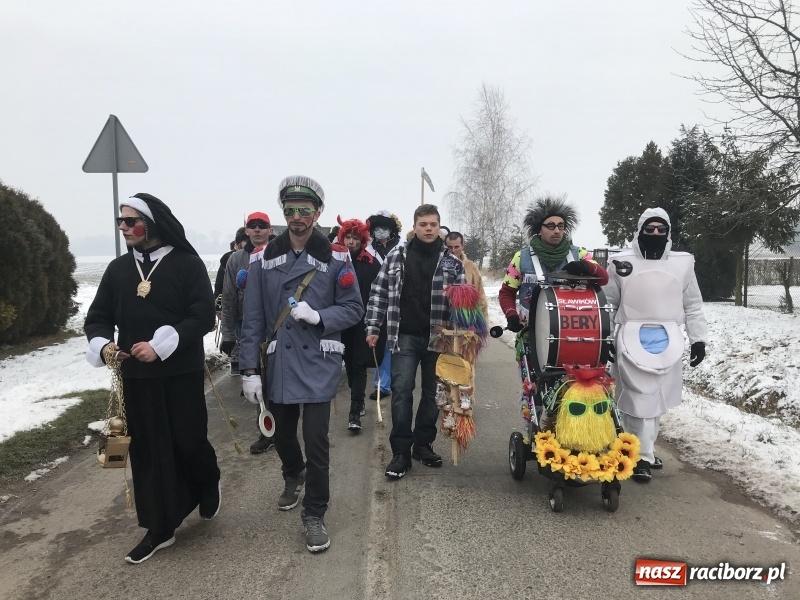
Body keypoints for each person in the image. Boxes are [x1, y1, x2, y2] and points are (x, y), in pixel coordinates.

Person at [84, 193, 220, 565]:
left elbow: (202, 317)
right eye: (121, 222)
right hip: (136, 378)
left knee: (189, 443)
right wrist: (103, 346)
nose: (124, 228)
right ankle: (160, 527)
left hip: (181, 374)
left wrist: (161, 345)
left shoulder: (188, 265)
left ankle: (208, 480)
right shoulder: (117, 270)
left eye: (131, 221)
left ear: (152, 224)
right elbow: (96, 318)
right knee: (148, 452)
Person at [239, 175, 363, 553]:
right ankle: (293, 473)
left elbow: (354, 308)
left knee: (317, 441)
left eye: (304, 210)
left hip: (319, 361)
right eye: (290, 210)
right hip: (280, 362)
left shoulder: (338, 257)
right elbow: (253, 318)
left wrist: (320, 316)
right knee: (280, 434)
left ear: (317, 213)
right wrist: (248, 370)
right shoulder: (262, 259)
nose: (297, 217)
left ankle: (314, 513)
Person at [604, 208, 707, 483]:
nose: (656, 234)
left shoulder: (682, 264)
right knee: (637, 398)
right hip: (631, 336)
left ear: (668, 232)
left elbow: (693, 304)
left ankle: (643, 450)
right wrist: (605, 337)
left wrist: (699, 339)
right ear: (640, 230)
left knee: (656, 398)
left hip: (668, 338)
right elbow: (608, 302)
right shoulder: (621, 262)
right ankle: (638, 456)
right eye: (650, 229)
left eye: (661, 229)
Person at [365, 204, 467, 479]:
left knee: (433, 395)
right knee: (401, 391)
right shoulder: (396, 256)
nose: (429, 229)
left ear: (439, 227)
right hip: (405, 335)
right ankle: (401, 451)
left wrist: (463, 331)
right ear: (415, 226)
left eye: (433, 224)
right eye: (424, 224)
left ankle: (423, 444)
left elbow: (463, 301)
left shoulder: (452, 262)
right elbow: (378, 292)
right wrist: (373, 326)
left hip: (439, 337)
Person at [498, 194, 608, 434]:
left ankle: (575, 432)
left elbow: (604, 278)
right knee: (534, 388)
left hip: (574, 333)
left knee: (576, 386)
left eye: (561, 226)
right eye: (550, 226)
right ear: (539, 230)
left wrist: (588, 268)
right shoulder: (522, 257)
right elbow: (507, 292)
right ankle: (534, 434)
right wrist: (512, 316)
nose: (557, 230)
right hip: (531, 336)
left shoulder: (578, 254)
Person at [219, 213, 274, 454]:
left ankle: (284, 425)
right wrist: (228, 334)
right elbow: (229, 298)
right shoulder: (236, 260)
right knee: (256, 378)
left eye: (262, 226)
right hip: (247, 327)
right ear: (247, 231)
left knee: (278, 377)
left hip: (276, 327)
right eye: (253, 226)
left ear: (270, 230)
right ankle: (266, 429)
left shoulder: (279, 255)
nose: (258, 230)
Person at [336, 216, 387, 431]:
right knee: (348, 362)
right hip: (340, 321)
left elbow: (380, 292)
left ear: (362, 239)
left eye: (355, 238)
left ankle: (355, 411)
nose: (351, 242)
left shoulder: (371, 262)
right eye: (348, 237)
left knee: (358, 365)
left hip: (363, 321)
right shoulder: (334, 259)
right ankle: (358, 402)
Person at [365, 210, 402, 401]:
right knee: (377, 342)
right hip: (375, 301)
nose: (380, 232)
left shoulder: (400, 249)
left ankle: (384, 384)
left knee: (391, 343)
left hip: (396, 303)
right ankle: (381, 381)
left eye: (384, 228)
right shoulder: (368, 250)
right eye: (377, 228)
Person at [444, 231, 488, 318]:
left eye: (456, 247)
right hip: (442, 319)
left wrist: (483, 324)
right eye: (450, 247)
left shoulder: (470, 267)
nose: (453, 250)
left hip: (465, 321)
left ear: (462, 246)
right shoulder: (438, 267)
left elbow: (480, 296)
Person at [213, 227, 247, 316]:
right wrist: (218, 306)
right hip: (234, 310)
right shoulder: (228, 259)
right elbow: (220, 283)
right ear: (238, 243)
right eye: (245, 240)